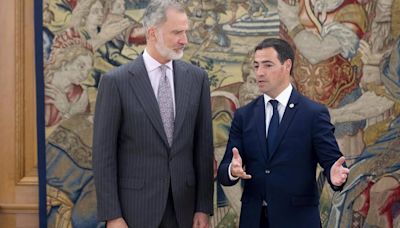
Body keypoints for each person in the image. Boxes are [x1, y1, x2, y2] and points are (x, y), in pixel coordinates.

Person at [92, 0, 214, 228]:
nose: (184, 40)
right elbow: (103, 155)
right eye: (177, 32)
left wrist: (203, 206)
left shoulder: (197, 79)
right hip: (134, 212)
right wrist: (112, 216)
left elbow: (203, 148)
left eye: (185, 32)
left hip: (185, 211)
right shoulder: (115, 82)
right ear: (152, 33)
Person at [217, 38, 349, 228]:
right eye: (256, 66)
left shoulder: (313, 114)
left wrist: (335, 176)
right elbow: (224, 171)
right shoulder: (244, 116)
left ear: (287, 65)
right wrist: (232, 170)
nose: (260, 72)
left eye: (268, 65)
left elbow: (333, 163)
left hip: (298, 221)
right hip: (254, 220)